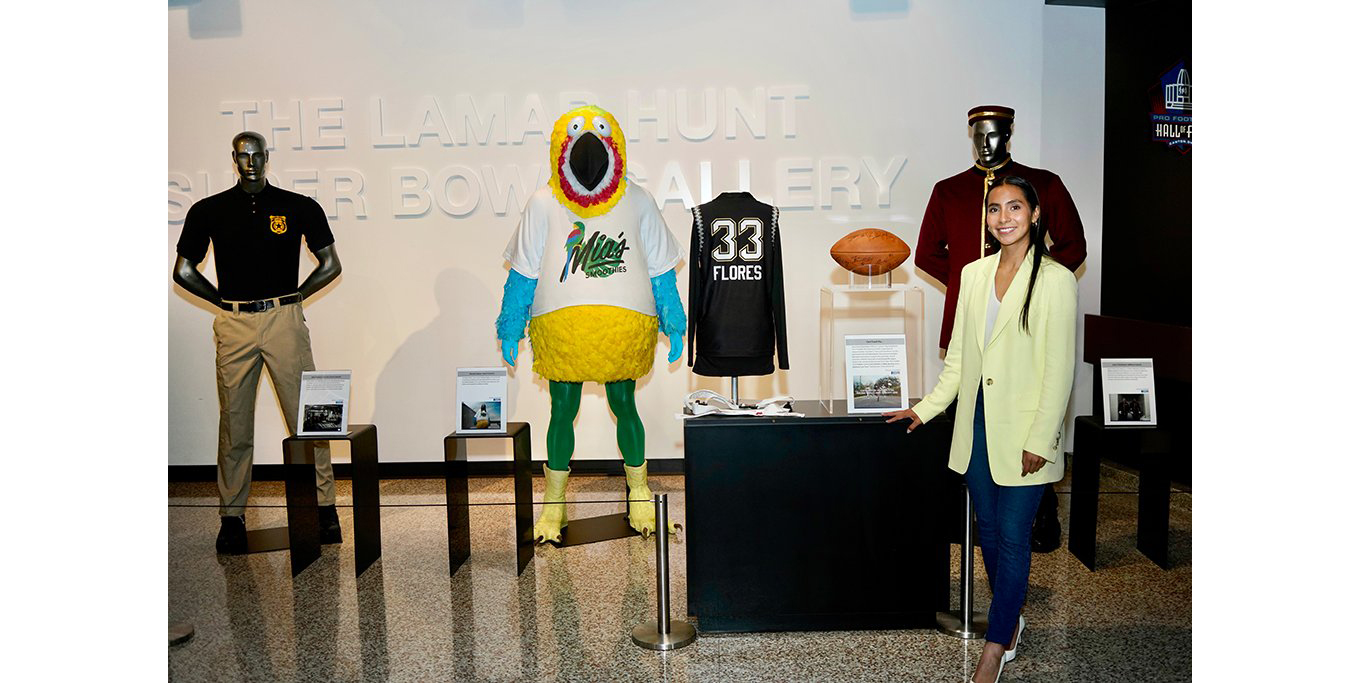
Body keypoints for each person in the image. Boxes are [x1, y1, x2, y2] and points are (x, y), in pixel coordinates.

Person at [887, 176, 1077, 682]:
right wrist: (925, 409)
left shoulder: (1057, 279)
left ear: (1035, 214)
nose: (1004, 217)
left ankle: (995, 644)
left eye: (1015, 207)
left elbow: (1060, 370)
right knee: (988, 532)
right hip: (975, 423)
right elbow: (962, 362)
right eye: (995, 209)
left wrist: (1042, 439)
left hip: (1024, 431)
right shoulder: (972, 274)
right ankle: (1011, 619)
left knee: (1013, 536)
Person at [914, 105, 1087, 553]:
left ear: (1009, 133)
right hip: (970, 321)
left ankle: (1036, 518)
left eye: (996, 131)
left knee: (1022, 431)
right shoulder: (949, 190)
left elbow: (1074, 244)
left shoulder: (1042, 183)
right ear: (969, 134)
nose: (987, 140)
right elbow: (926, 253)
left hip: (1028, 330)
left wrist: (1033, 290)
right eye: (978, 131)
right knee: (974, 432)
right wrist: (963, 280)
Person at [173, 131, 344, 554]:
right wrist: (223, 304)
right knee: (235, 423)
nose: (249, 161)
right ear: (233, 159)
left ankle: (325, 509)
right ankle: (232, 516)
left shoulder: (299, 207)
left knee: (311, 416)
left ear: (268, 157)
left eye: (256, 154)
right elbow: (184, 271)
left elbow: (331, 264)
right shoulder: (207, 210)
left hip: (283, 318)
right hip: (234, 324)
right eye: (242, 155)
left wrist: (295, 299)